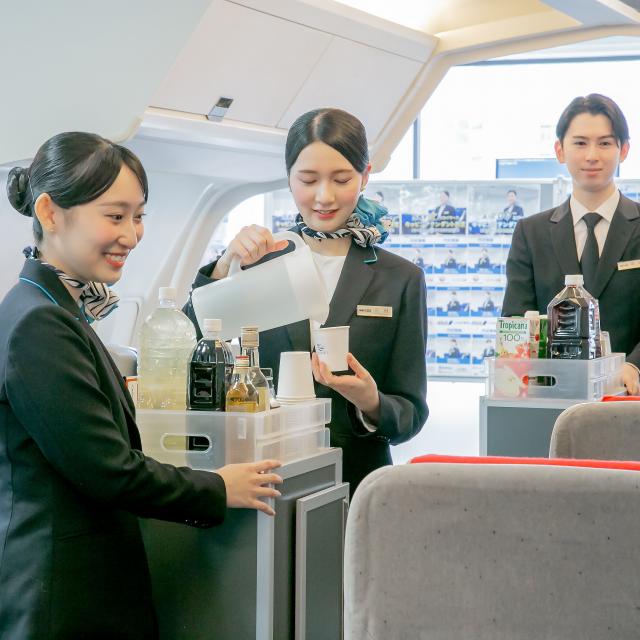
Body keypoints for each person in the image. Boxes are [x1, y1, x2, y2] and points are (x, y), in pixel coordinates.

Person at [0, 132, 282, 639]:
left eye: (139, 216)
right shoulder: (39, 323)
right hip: (59, 597)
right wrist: (219, 487)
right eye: (115, 216)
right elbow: (106, 469)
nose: (132, 235)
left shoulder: (54, 309)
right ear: (49, 212)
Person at [185, 108, 428, 494]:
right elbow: (185, 344)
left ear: (365, 176)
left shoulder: (399, 278)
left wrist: (371, 402)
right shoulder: (258, 263)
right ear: (289, 178)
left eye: (341, 179)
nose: (324, 196)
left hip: (357, 481)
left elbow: (410, 415)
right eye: (308, 180)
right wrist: (225, 264)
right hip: (264, 476)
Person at [503, 94, 640, 394]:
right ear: (560, 150)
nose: (592, 155)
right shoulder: (531, 233)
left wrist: (634, 365)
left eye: (604, 143)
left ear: (624, 150)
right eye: (580, 143)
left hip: (631, 396)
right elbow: (516, 319)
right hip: (551, 394)